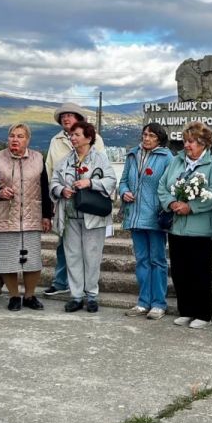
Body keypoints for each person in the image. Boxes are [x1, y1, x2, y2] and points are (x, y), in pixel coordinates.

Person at [158, 122, 212, 330]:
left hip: (200, 228)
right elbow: (162, 186)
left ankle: (203, 314)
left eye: (191, 142)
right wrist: (171, 202)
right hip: (177, 227)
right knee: (180, 271)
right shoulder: (176, 161)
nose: (187, 145)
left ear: (203, 143)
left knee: (199, 272)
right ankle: (186, 310)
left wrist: (191, 206)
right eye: (185, 141)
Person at [0, 123, 54, 312]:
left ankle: (30, 296)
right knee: (8, 260)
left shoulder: (38, 158)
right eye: (12, 136)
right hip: (5, 217)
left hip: (31, 217)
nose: (15, 139)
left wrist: (47, 215)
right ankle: (14, 296)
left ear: (28, 140)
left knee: (32, 260)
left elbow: (44, 190)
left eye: (20, 136)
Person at [50, 121, 116, 313]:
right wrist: (62, 190)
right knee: (73, 256)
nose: (73, 138)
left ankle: (92, 295)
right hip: (70, 215)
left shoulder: (100, 159)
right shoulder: (65, 160)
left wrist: (90, 183)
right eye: (71, 135)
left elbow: (111, 181)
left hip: (93, 216)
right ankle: (76, 296)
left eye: (77, 135)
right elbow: (53, 182)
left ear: (88, 137)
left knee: (92, 256)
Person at [43, 103, 105, 297]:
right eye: (63, 117)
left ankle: (87, 288)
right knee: (64, 244)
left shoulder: (96, 139)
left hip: (89, 201)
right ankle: (62, 281)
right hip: (65, 200)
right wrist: (53, 195)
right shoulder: (56, 140)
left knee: (89, 248)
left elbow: (102, 168)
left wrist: (90, 185)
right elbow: (50, 169)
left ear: (79, 118)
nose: (66, 119)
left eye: (70, 115)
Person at [119, 123, 174, 320]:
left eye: (151, 135)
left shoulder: (167, 157)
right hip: (134, 215)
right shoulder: (133, 154)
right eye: (144, 135)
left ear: (159, 138)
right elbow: (123, 180)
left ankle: (159, 303)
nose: (146, 138)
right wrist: (124, 191)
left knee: (157, 260)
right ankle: (143, 302)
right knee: (141, 260)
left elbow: (171, 185)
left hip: (155, 217)